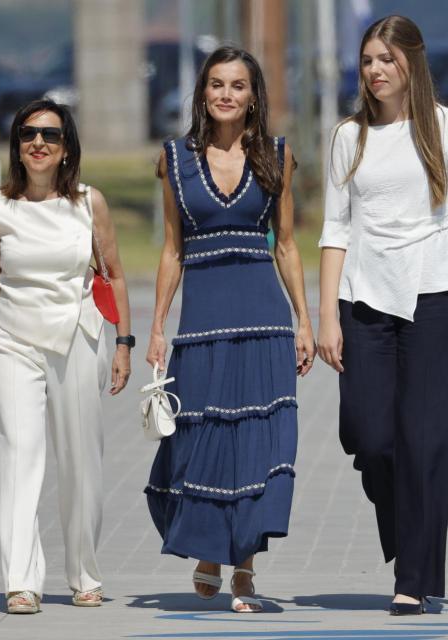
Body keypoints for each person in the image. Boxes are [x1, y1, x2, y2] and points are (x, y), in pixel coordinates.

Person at [317, 15, 448, 616]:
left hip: (435, 296)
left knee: (425, 442)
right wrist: (326, 313)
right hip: (364, 300)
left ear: (412, 64)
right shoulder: (349, 136)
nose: (375, 70)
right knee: (369, 436)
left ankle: (413, 577)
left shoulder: (446, 128)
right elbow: (335, 227)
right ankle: (410, 536)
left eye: (387, 59)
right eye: (368, 60)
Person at [144, 45, 315, 613]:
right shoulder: (173, 159)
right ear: (202, 93)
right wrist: (156, 327)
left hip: (264, 319)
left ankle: (244, 564)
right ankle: (208, 550)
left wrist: (305, 320)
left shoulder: (278, 156)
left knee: (256, 442)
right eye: (216, 84)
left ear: (253, 96)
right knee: (199, 437)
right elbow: (172, 250)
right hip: (202, 323)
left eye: (238, 86)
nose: (226, 94)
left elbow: (286, 245)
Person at [0, 99, 132, 614]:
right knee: (21, 453)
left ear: (66, 147)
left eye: (50, 136)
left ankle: (84, 573)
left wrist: (123, 343)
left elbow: (115, 273)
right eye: (28, 134)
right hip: (13, 341)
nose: (38, 143)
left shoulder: (89, 203)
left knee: (80, 461)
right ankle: (21, 581)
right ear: (16, 145)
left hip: (78, 335)